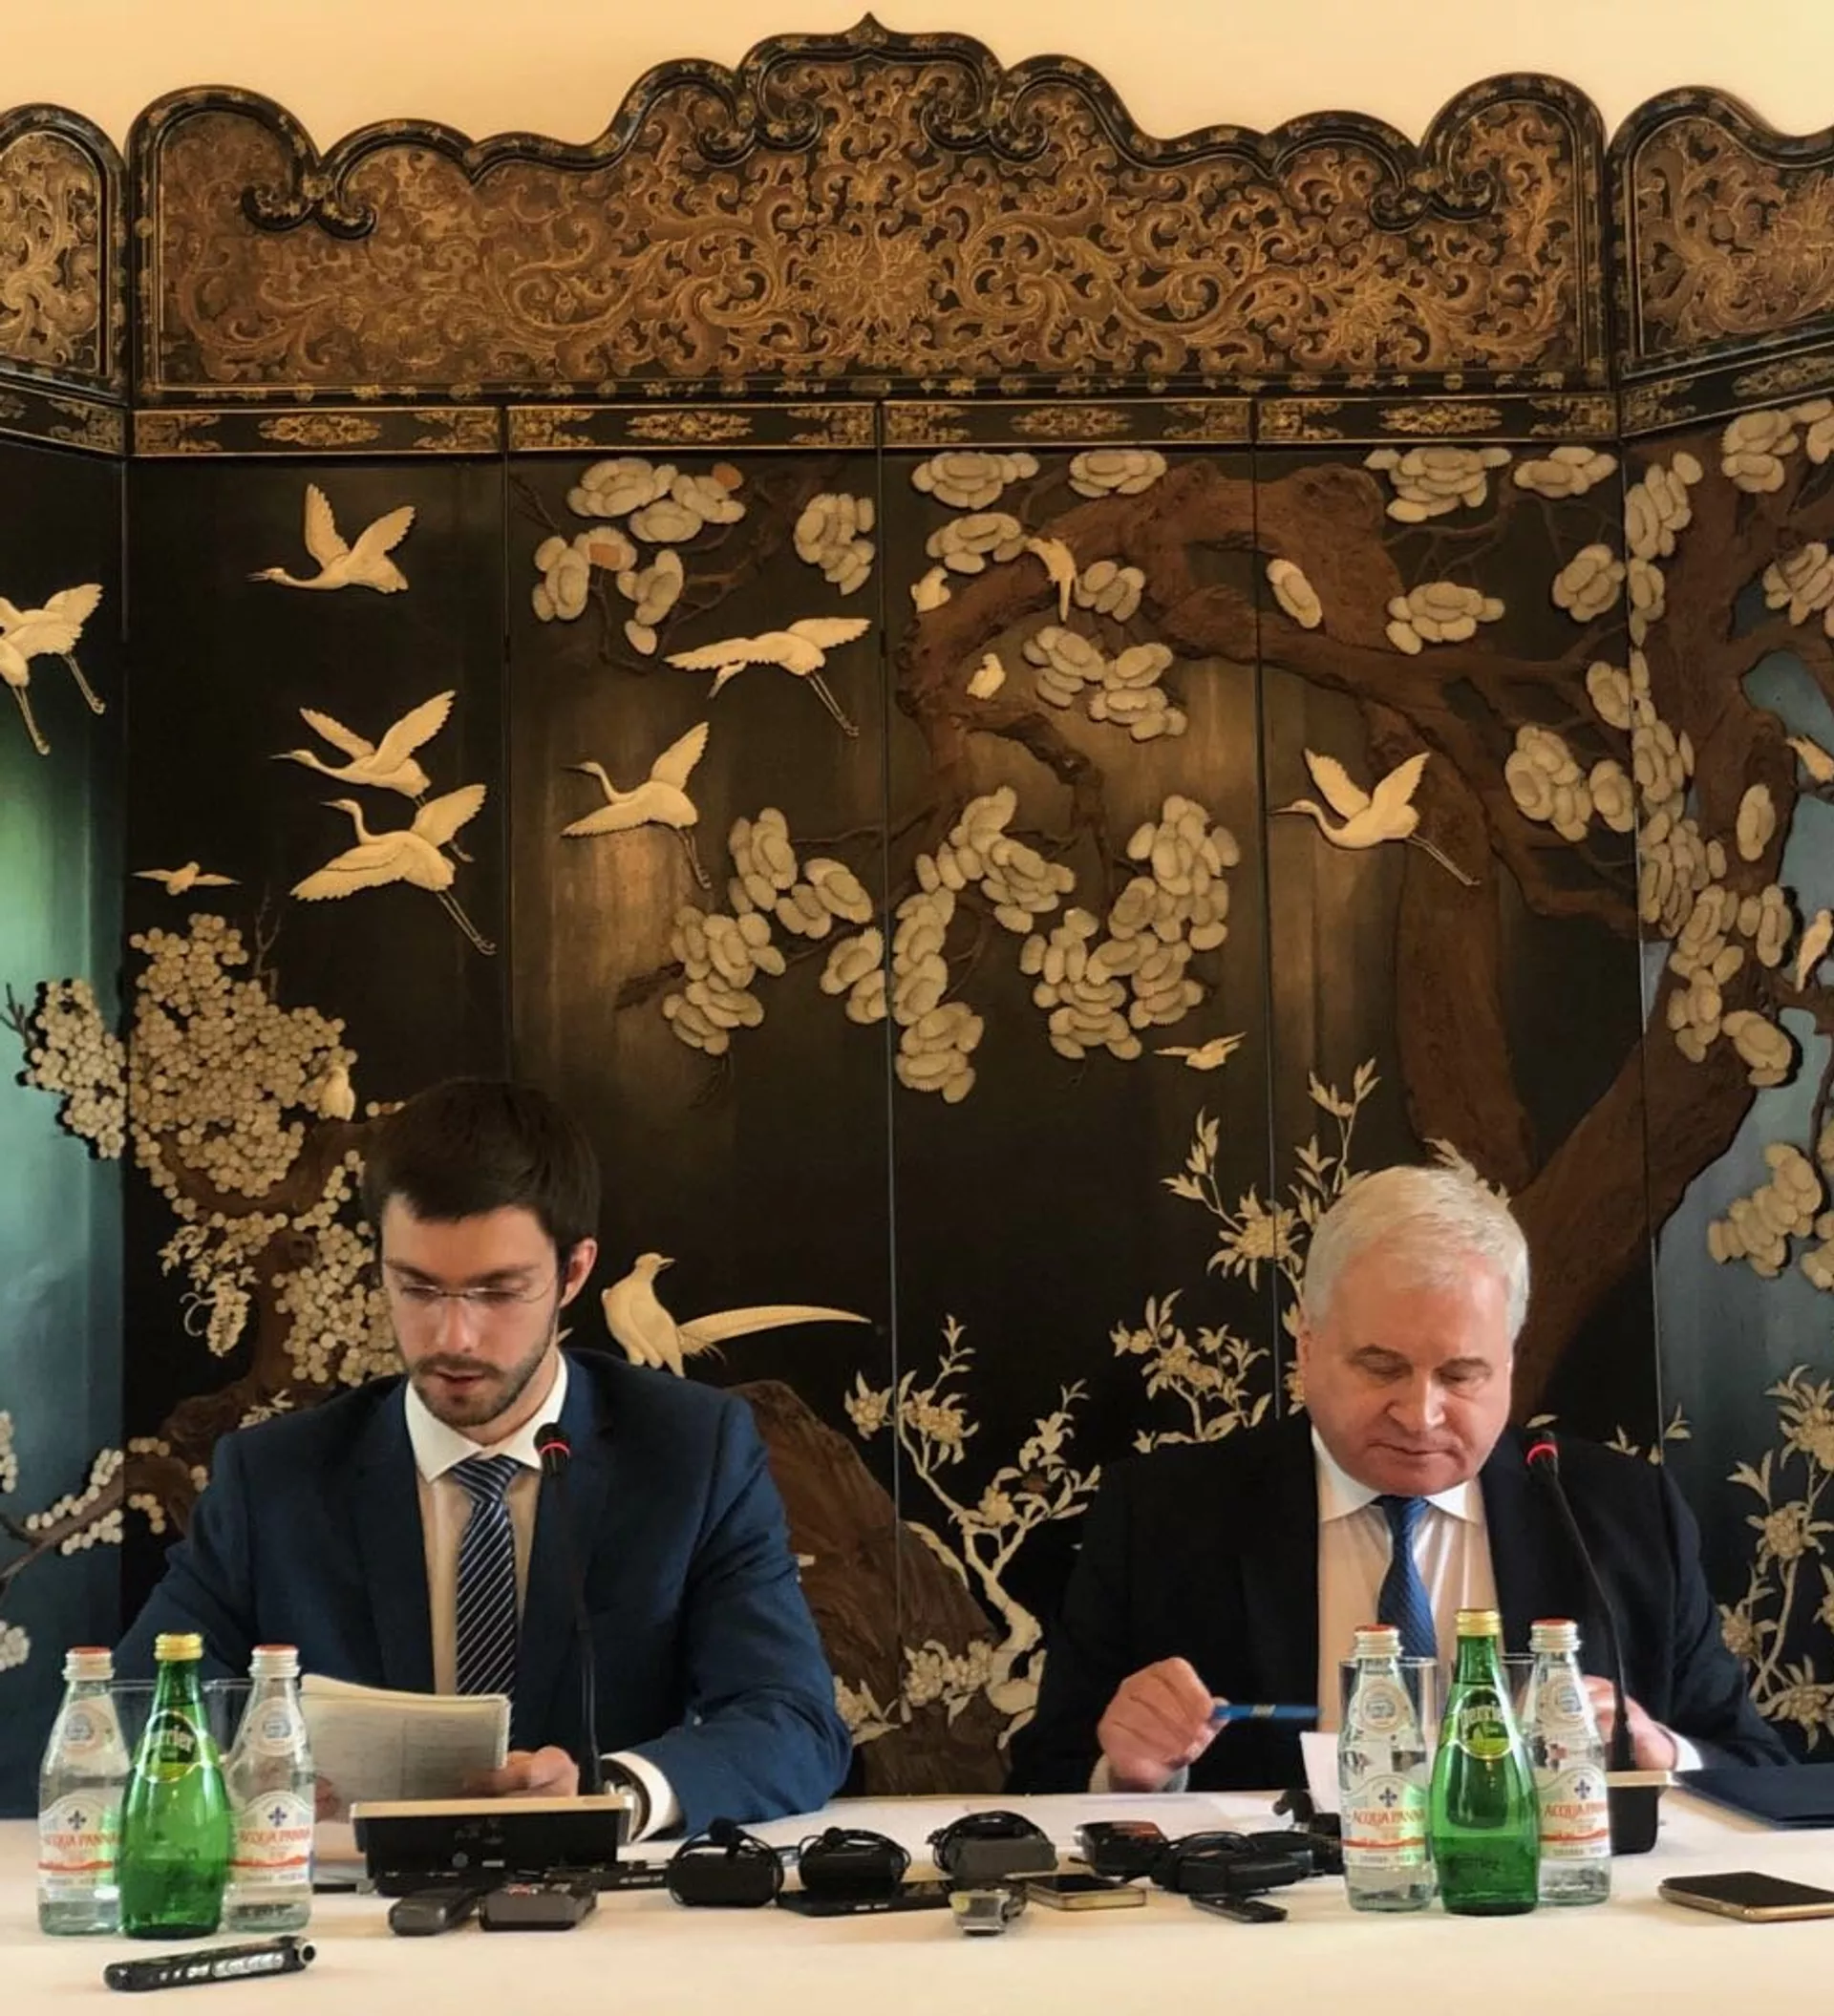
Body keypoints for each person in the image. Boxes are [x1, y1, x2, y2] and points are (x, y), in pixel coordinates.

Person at [117, 1078, 851, 1836]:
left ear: (573, 1272)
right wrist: (250, 1777)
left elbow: (792, 1721)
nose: (453, 1337)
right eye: (417, 1287)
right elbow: (131, 1715)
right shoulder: (272, 1479)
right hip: (348, 1894)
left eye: (498, 1291)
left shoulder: (693, 1453)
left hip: (603, 1901)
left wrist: (611, 1794)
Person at [1009, 1163, 1791, 1795]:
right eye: (1381, 1366)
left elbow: (1757, 1768)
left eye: (1461, 1373)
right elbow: (1044, 1779)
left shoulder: (1622, 1515)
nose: (1420, 1415)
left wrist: (1660, 1754)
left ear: (1510, 1363)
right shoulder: (1161, 1515)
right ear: (1307, 1345)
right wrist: (1125, 1774)